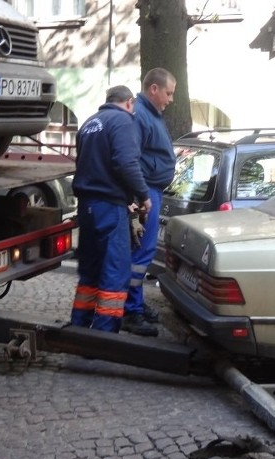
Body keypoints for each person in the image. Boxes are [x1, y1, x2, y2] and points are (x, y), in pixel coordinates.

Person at [69, 85, 152, 333]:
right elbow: (126, 162)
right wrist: (143, 195)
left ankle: (79, 327)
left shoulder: (89, 123)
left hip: (87, 207)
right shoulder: (123, 121)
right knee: (115, 273)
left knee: (90, 273)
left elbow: (92, 164)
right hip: (109, 208)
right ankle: (105, 335)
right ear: (129, 103)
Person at [121, 67, 178, 337]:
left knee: (142, 253)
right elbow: (131, 159)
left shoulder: (150, 113)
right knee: (140, 254)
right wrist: (141, 195)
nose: (170, 99)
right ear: (153, 89)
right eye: (168, 93)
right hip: (146, 193)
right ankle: (130, 310)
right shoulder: (141, 115)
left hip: (150, 191)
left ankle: (135, 304)